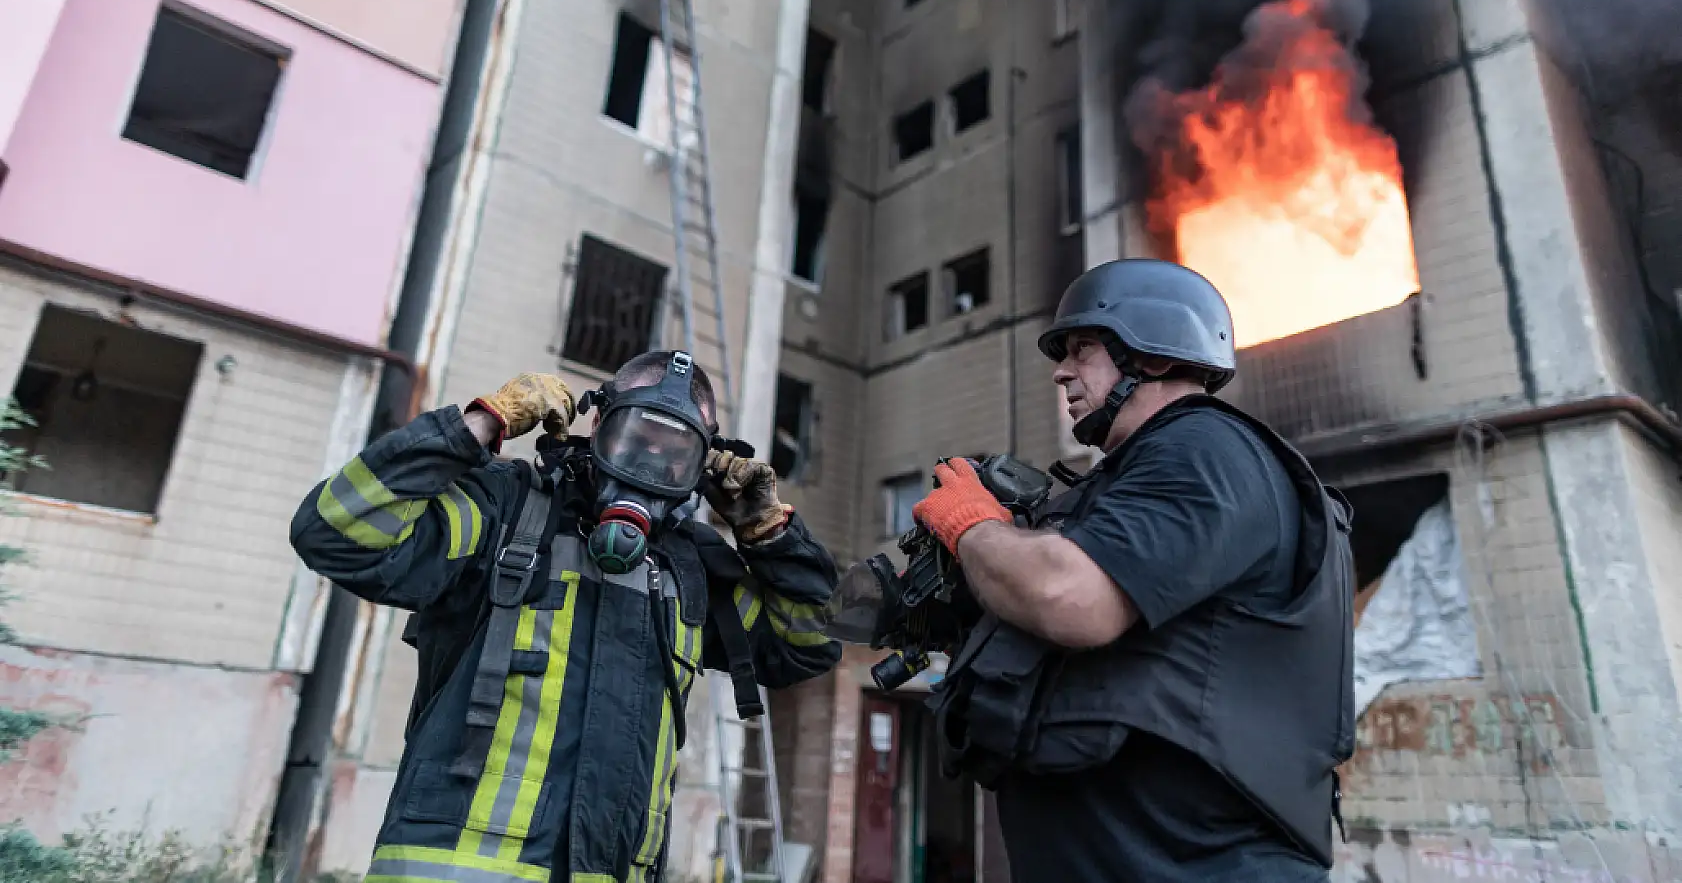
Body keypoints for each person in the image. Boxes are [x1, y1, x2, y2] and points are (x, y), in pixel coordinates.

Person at [291, 350, 841, 883]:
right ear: (597, 423)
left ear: (703, 467)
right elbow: (336, 534)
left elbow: (807, 645)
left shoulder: (688, 567)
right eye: (635, 440)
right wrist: (481, 424)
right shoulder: (503, 513)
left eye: (674, 455)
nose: (649, 465)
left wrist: (771, 534)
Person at [914, 259, 1355, 882]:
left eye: (1082, 348)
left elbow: (1068, 595)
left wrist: (972, 525)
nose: (1061, 371)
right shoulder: (1129, 481)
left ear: (1150, 354)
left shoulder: (1205, 448)